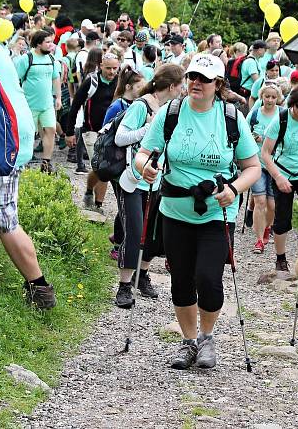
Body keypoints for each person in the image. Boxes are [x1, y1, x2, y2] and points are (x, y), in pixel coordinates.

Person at [135, 54, 261, 370]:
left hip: (217, 214)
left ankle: (207, 336)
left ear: (217, 84)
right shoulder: (170, 113)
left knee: (208, 277)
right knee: (180, 280)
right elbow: (143, 154)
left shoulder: (232, 118)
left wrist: (233, 190)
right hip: (175, 212)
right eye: (192, 76)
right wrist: (146, 168)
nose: (195, 83)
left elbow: (252, 167)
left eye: (203, 79)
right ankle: (188, 342)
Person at [113, 64, 184, 307]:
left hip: (159, 180)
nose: (183, 89)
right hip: (133, 179)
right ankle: (123, 286)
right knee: (134, 233)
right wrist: (148, 129)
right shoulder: (140, 105)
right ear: (172, 86)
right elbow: (120, 137)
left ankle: (141, 275)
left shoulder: (171, 110)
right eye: (181, 84)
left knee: (154, 234)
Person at [262, 84, 298, 271]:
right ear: (292, 104)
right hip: (283, 171)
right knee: (282, 217)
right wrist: (278, 177)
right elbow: (265, 153)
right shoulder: (280, 119)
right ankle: (280, 259)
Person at [66, 52, 120, 209]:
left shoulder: (120, 81)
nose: (111, 72)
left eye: (114, 68)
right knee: (102, 168)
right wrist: (69, 132)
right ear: (101, 66)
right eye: (108, 68)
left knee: (103, 170)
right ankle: (95, 201)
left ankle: (95, 202)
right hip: (91, 131)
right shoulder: (92, 81)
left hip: (111, 132)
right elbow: (75, 105)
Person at [13, 30, 61, 172]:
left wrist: (58, 97)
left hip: (47, 104)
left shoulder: (52, 60)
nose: (51, 45)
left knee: (51, 130)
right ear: (38, 44)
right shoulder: (26, 59)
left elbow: (55, 79)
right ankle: (24, 162)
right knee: (28, 134)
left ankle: (46, 163)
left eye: (51, 42)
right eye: (48, 42)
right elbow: (16, 80)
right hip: (29, 105)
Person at [246, 83, 282, 255]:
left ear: (278, 98)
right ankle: (259, 240)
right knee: (259, 202)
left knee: (272, 205)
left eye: (273, 97)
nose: (269, 100)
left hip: (275, 164)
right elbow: (244, 133)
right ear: (262, 96)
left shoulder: (282, 115)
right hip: (257, 164)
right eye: (267, 96)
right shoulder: (254, 114)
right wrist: (254, 138)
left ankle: (268, 228)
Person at [243, 41, 265, 109]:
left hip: (250, 94)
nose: (265, 51)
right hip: (248, 96)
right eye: (265, 49)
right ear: (259, 50)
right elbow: (257, 81)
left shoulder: (254, 60)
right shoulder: (251, 62)